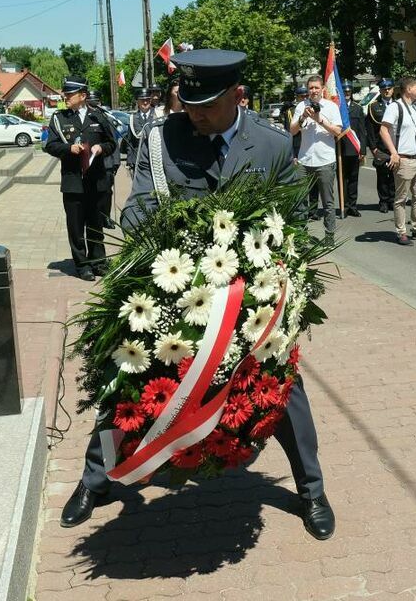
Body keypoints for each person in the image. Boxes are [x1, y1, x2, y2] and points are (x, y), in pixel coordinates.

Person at [63, 49, 335, 540]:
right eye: (188, 102)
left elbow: (293, 216)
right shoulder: (161, 139)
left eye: (206, 104)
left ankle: (311, 489)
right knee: (125, 386)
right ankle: (95, 480)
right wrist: (183, 246)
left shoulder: (271, 145)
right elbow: (139, 206)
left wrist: (270, 270)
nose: (195, 113)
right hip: (174, 295)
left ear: (237, 95)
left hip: (247, 305)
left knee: (284, 388)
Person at [44, 78, 118, 281]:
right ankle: (82, 264)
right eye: (65, 94)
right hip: (73, 181)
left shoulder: (99, 116)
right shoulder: (59, 118)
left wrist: (101, 148)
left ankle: (98, 262)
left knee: (95, 224)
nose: (65, 97)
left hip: (96, 180)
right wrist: (69, 148)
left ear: (83, 96)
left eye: (69, 94)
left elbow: (112, 142)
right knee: (76, 226)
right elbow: (49, 145)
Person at [379, 76, 416, 246]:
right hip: (403, 159)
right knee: (401, 198)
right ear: (408, 89)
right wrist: (393, 152)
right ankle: (401, 232)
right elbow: (383, 130)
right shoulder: (395, 107)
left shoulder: (413, 108)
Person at [290, 74, 343, 241]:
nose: (313, 91)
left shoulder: (331, 107)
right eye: (311, 88)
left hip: (325, 160)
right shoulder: (301, 106)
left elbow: (338, 131)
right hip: (304, 160)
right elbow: (292, 131)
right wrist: (303, 117)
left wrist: (319, 119)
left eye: (316, 88)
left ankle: (329, 235)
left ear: (323, 89)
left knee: (327, 201)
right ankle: (301, 234)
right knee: (300, 200)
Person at [366, 78, 396, 212]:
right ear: (380, 91)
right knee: (383, 176)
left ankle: (392, 200)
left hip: (397, 146)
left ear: (393, 89)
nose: (387, 91)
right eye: (384, 89)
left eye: (389, 88)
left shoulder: (398, 105)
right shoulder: (373, 107)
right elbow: (370, 129)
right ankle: (383, 201)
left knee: (395, 176)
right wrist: (373, 148)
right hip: (381, 147)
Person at [339, 81, 366, 217]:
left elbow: (362, 130)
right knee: (342, 179)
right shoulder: (336, 108)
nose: (347, 94)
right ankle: (344, 206)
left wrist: (363, 151)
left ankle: (352, 206)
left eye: (349, 92)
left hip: (354, 148)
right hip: (340, 149)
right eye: (344, 92)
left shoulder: (357, 108)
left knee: (354, 178)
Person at [124, 87, 154, 169]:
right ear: (137, 101)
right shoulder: (133, 118)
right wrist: (130, 160)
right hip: (138, 159)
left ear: (150, 100)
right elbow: (130, 141)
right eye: (142, 100)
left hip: (154, 157)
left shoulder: (157, 115)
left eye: (147, 100)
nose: (145, 102)